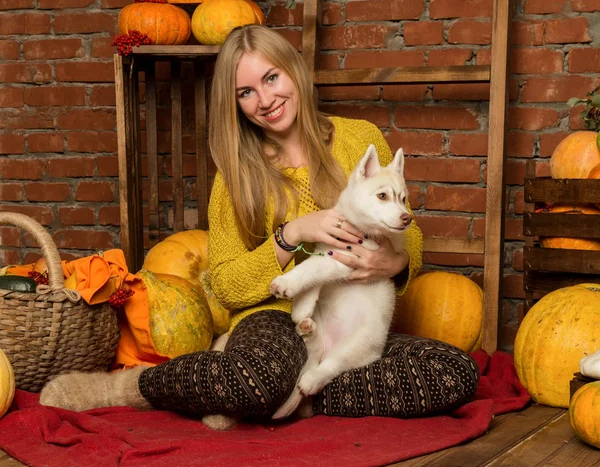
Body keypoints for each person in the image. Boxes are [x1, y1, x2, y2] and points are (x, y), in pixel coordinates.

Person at [40, 24, 479, 421]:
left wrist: (395, 264)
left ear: (293, 71)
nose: (265, 100)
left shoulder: (358, 138)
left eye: (271, 78)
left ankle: (287, 394)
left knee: (451, 372)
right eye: (245, 92)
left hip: (350, 319)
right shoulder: (235, 175)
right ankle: (131, 387)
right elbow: (227, 285)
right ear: (233, 103)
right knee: (259, 376)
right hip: (277, 318)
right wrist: (292, 235)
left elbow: (409, 231)